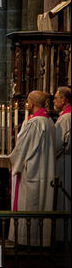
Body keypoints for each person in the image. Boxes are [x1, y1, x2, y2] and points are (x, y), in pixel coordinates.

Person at [9, 91, 56, 246]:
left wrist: (13, 161)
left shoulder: (34, 123)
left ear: (32, 103)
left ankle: (27, 239)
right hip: (46, 169)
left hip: (33, 170)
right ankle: (41, 238)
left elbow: (22, 148)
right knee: (43, 203)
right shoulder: (49, 122)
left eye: (28, 101)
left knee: (31, 203)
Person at [53, 87, 71, 229]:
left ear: (63, 100)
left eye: (56, 97)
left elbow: (58, 144)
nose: (54, 100)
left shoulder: (65, 118)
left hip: (64, 161)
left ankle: (62, 234)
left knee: (64, 198)